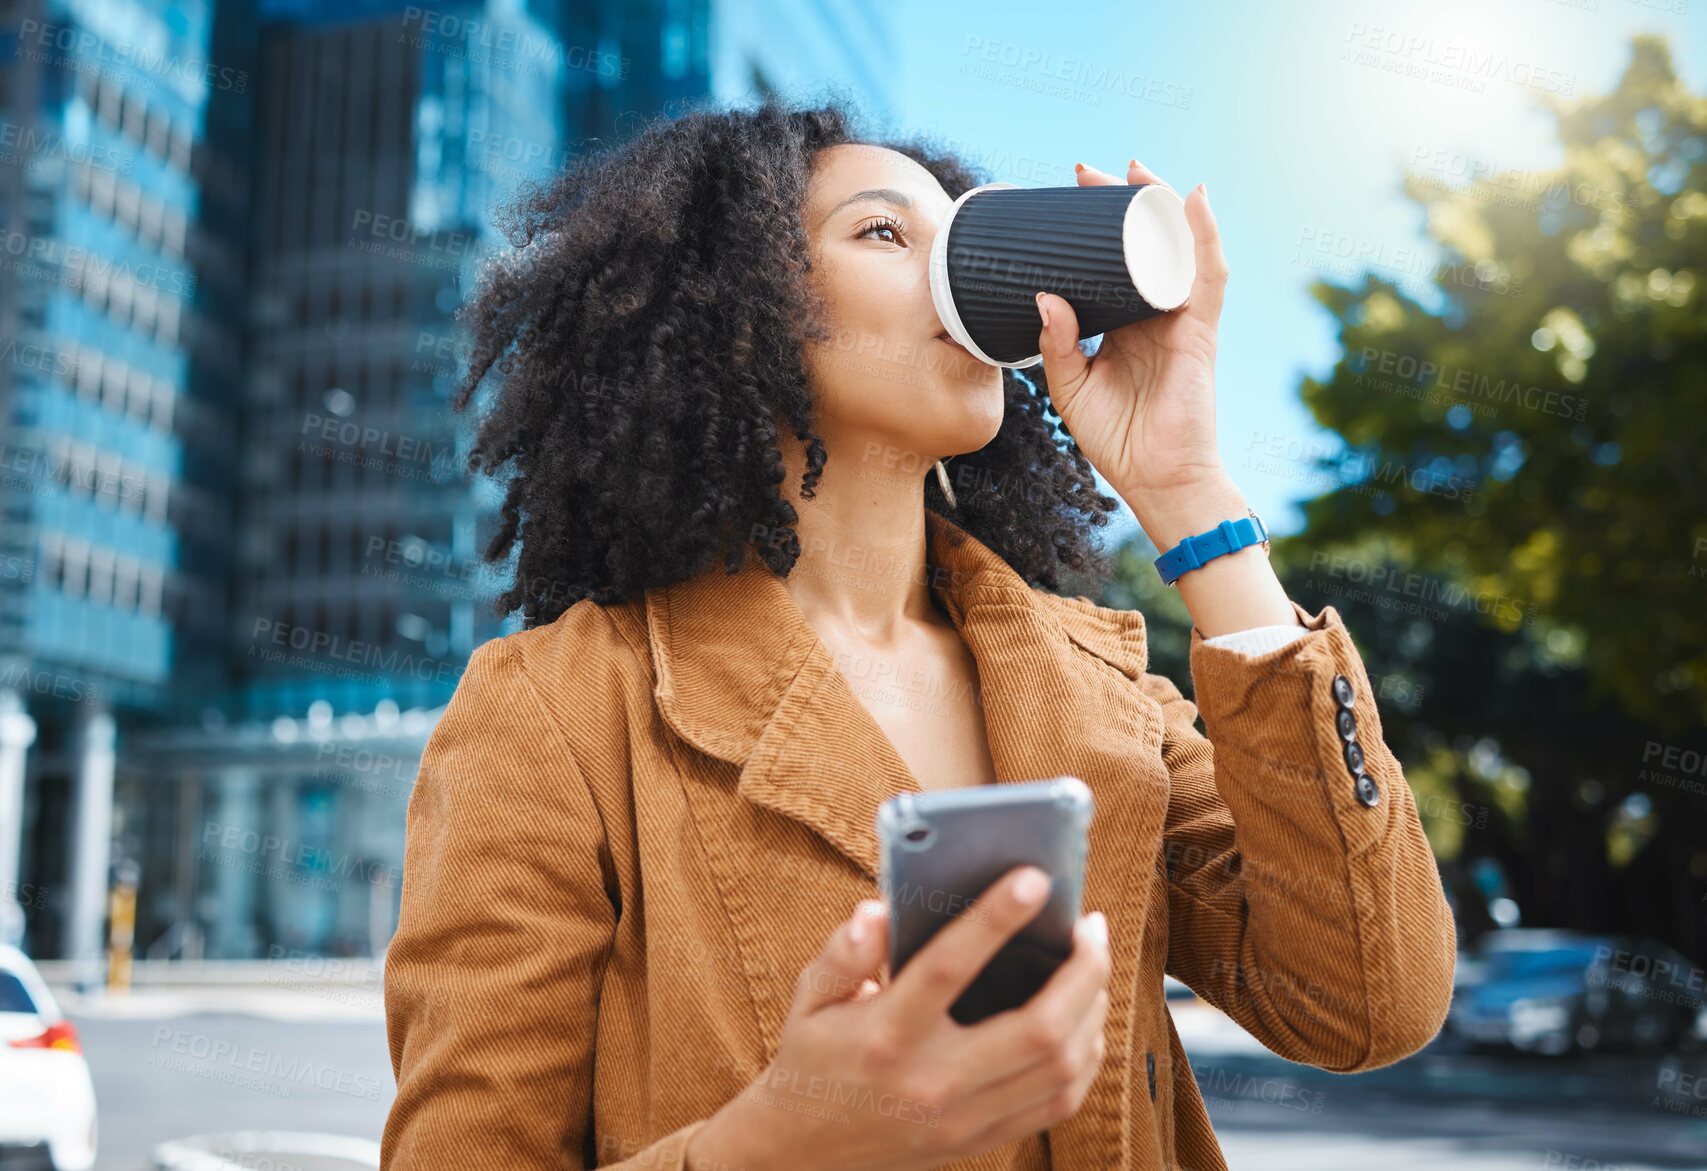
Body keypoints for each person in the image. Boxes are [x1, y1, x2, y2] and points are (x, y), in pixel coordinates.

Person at [380, 100, 1456, 1171]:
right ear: (742, 311)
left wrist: (1188, 497)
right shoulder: (559, 710)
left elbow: (1368, 999)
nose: (961, 270)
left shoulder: (1096, 686)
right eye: (887, 232)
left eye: (966, 233)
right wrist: (775, 1144)